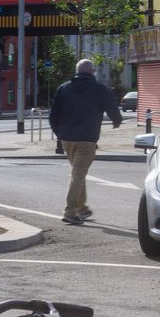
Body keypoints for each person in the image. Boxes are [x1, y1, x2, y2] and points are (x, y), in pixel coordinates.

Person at [48, 58, 122, 225]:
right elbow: (111, 107)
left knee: (77, 173)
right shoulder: (99, 89)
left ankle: (81, 208)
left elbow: (53, 115)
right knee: (78, 174)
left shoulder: (63, 88)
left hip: (67, 138)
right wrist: (116, 121)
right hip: (87, 139)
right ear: (90, 71)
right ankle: (70, 210)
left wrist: (59, 133)